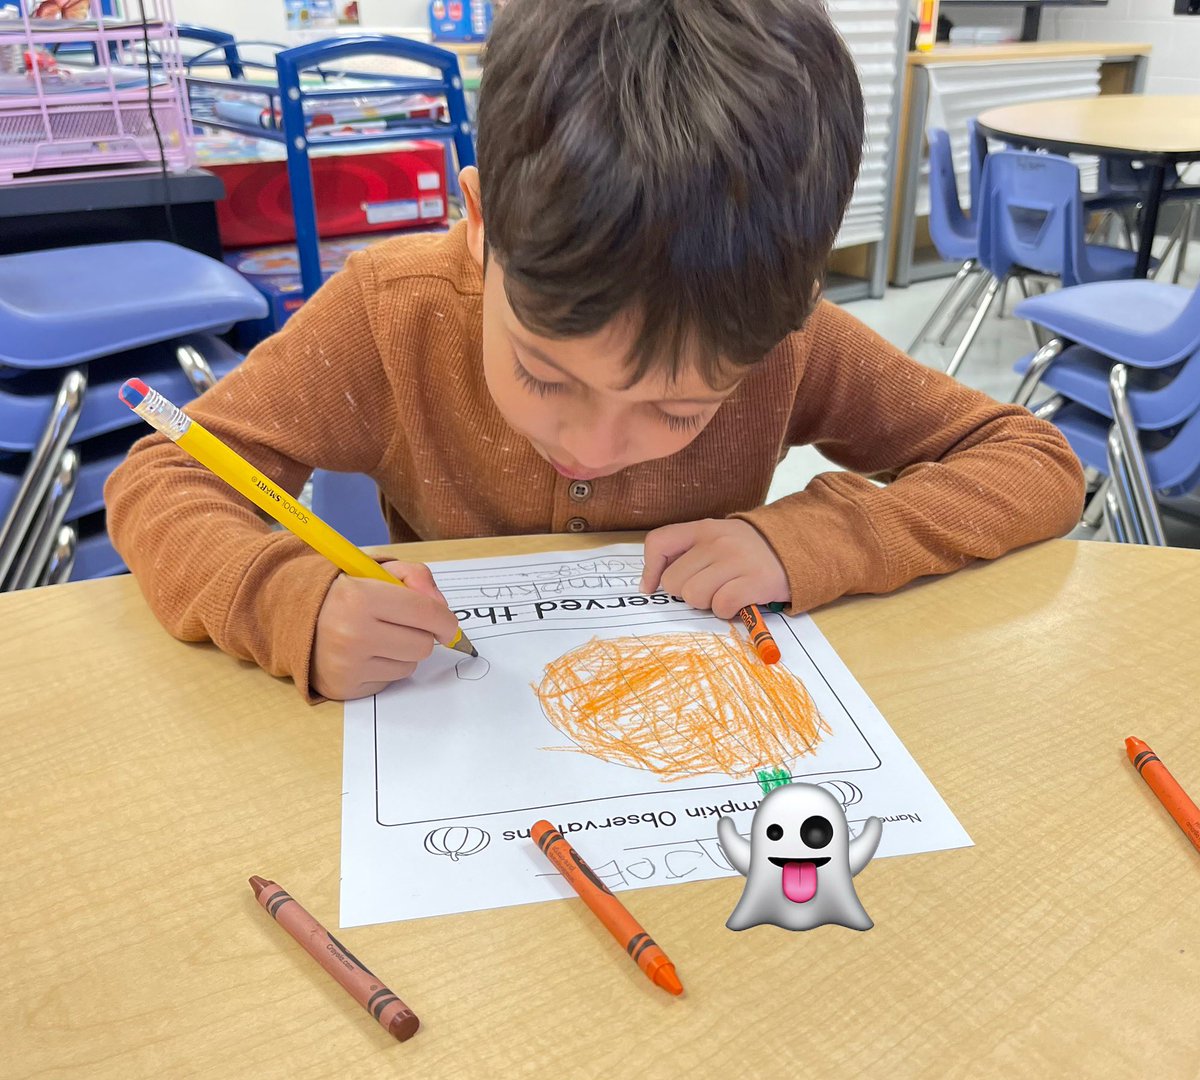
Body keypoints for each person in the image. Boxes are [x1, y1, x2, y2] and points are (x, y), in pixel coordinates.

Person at [105, 0, 1084, 702]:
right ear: (482, 224)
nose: (598, 445)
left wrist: (807, 540)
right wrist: (290, 601)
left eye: (679, 409)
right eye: (545, 373)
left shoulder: (785, 339)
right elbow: (160, 479)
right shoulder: (387, 316)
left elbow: (1038, 464)